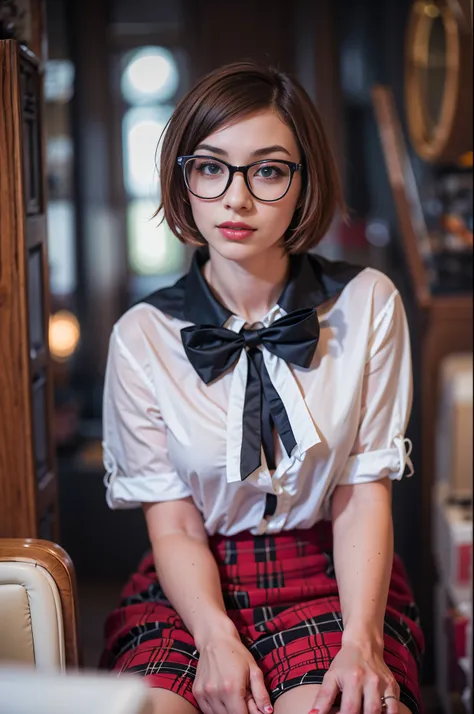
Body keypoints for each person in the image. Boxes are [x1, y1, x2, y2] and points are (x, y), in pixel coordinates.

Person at [100, 62, 424, 714]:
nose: (236, 199)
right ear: (183, 179)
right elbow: (175, 527)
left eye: (269, 170)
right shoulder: (143, 335)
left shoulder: (368, 305)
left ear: (304, 186)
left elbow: (363, 496)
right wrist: (215, 635)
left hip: (331, 576)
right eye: (211, 167)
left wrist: (360, 641)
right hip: (190, 586)